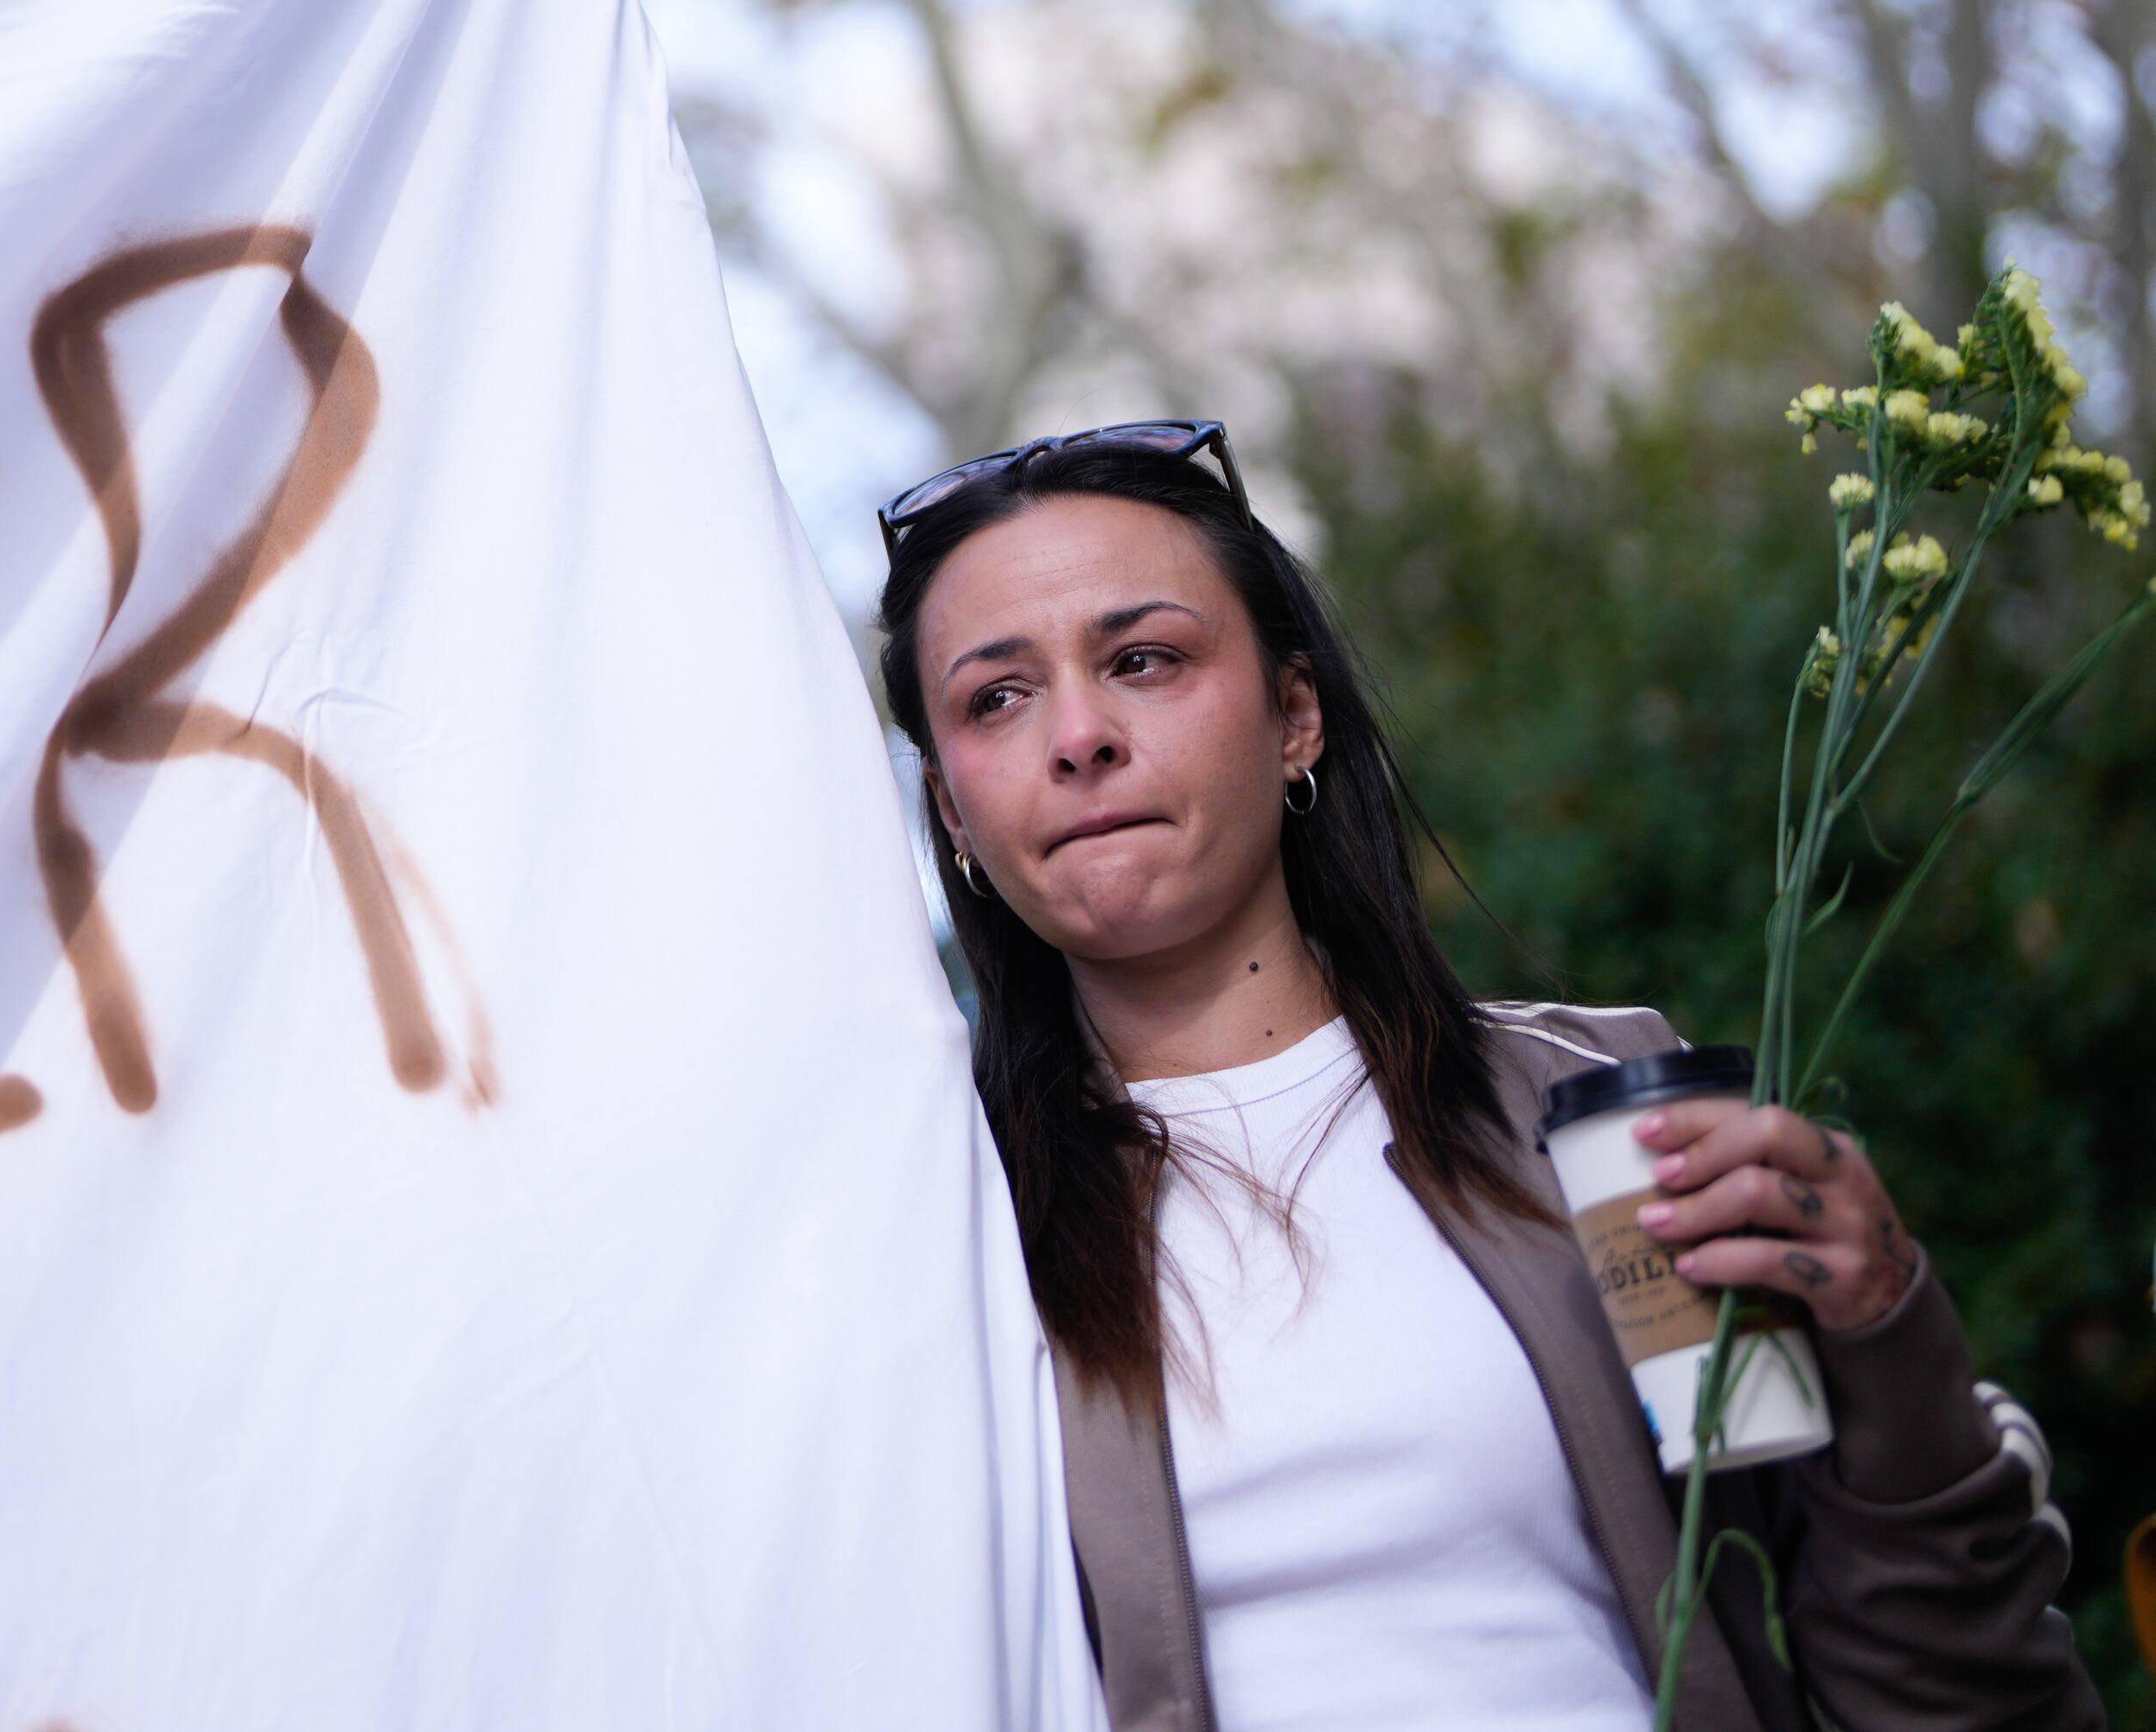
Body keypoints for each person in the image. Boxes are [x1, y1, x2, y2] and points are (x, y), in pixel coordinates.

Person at [874, 421, 2100, 1732]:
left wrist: (1883, 1335)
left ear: (1298, 714)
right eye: (995, 696)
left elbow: (1943, 1681)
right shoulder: (935, 1228)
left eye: (1145, 659)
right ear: (951, 807)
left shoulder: (1599, 1109)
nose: (1078, 734)